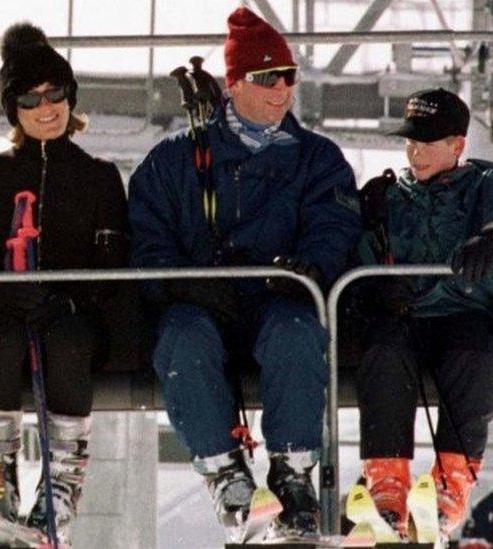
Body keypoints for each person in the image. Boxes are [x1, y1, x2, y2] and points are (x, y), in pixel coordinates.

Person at [129, 7, 362, 540]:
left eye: (289, 77)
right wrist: (183, 282)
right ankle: (226, 476)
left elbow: (334, 225)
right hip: (201, 305)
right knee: (183, 342)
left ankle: (292, 473)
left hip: (277, 299)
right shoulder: (174, 161)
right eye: (266, 78)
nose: (282, 90)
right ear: (234, 84)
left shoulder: (318, 160)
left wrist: (310, 268)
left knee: (297, 335)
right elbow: (148, 236)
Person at [0, 22, 128, 544]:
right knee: (3, 339)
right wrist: (7, 292)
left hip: (75, 315)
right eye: (30, 99)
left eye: (55, 94)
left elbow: (114, 259)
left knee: (70, 340)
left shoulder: (99, 176)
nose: (46, 107)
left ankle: (61, 484)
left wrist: (68, 298)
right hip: (5, 312)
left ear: (70, 97)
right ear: (14, 110)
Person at [354, 88, 493, 538]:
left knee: (475, 358)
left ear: (457, 145)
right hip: (403, 318)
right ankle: (387, 483)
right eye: (410, 142)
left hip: (465, 314)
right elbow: (352, 240)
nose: (415, 152)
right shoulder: (386, 198)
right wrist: (374, 288)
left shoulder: (487, 191)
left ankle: (452, 481)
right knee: (383, 352)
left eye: (427, 142)